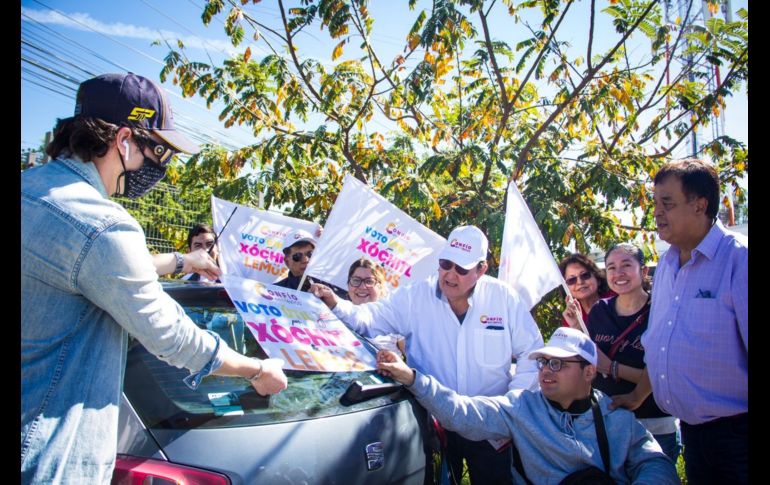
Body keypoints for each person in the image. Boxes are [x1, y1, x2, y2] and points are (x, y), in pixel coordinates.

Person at [21, 72, 288, 484]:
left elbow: (89, 270)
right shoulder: (103, 224)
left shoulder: (33, 192)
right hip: (47, 456)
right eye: (159, 151)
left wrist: (182, 261)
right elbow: (169, 335)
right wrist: (255, 370)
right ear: (124, 139)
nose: (160, 167)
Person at [312, 225, 544, 485]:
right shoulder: (414, 297)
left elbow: (532, 353)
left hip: (490, 429)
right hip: (434, 425)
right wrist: (334, 303)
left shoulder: (503, 298)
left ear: (481, 269)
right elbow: (370, 318)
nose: (450, 274)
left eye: (461, 268)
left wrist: (512, 408)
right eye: (445, 264)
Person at [376, 327, 679, 484]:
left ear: (589, 372)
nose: (546, 370)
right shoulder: (521, 407)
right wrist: (412, 377)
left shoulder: (617, 418)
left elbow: (656, 463)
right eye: (543, 362)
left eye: (558, 363)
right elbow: (461, 413)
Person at [615, 159, 747, 484]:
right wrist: (638, 395)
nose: (657, 213)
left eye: (668, 203)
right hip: (694, 436)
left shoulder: (739, 260)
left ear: (700, 205)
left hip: (738, 439)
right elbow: (662, 344)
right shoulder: (667, 265)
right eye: (655, 204)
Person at [572, 243, 680, 462]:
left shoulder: (661, 311)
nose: (618, 273)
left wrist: (611, 367)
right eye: (611, 267)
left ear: (644, 270)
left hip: (654, 424)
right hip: (607, 422)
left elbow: (666, 375)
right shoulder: (600, 311)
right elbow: (591, 365)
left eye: (626, 265)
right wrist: (576, 330)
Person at [346, 258, 404, 355]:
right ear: (348, 284)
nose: (362, 287)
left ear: (380, 287)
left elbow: (416, 361)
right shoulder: (334, 314)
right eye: (356, 280)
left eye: (369, 281)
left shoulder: (394, 321)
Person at [274, 228, 347, 298]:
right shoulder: (275, 291)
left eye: (310, 254)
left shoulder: (334, 284)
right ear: (287, 262)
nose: (305, 260)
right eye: (297, 256)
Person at [559, 253, 613, 328]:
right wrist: (577, 326)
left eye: (585, 275)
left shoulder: (617, 299)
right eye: (572, 280)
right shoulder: (571, 317)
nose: (580, 282)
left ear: (597, 278)